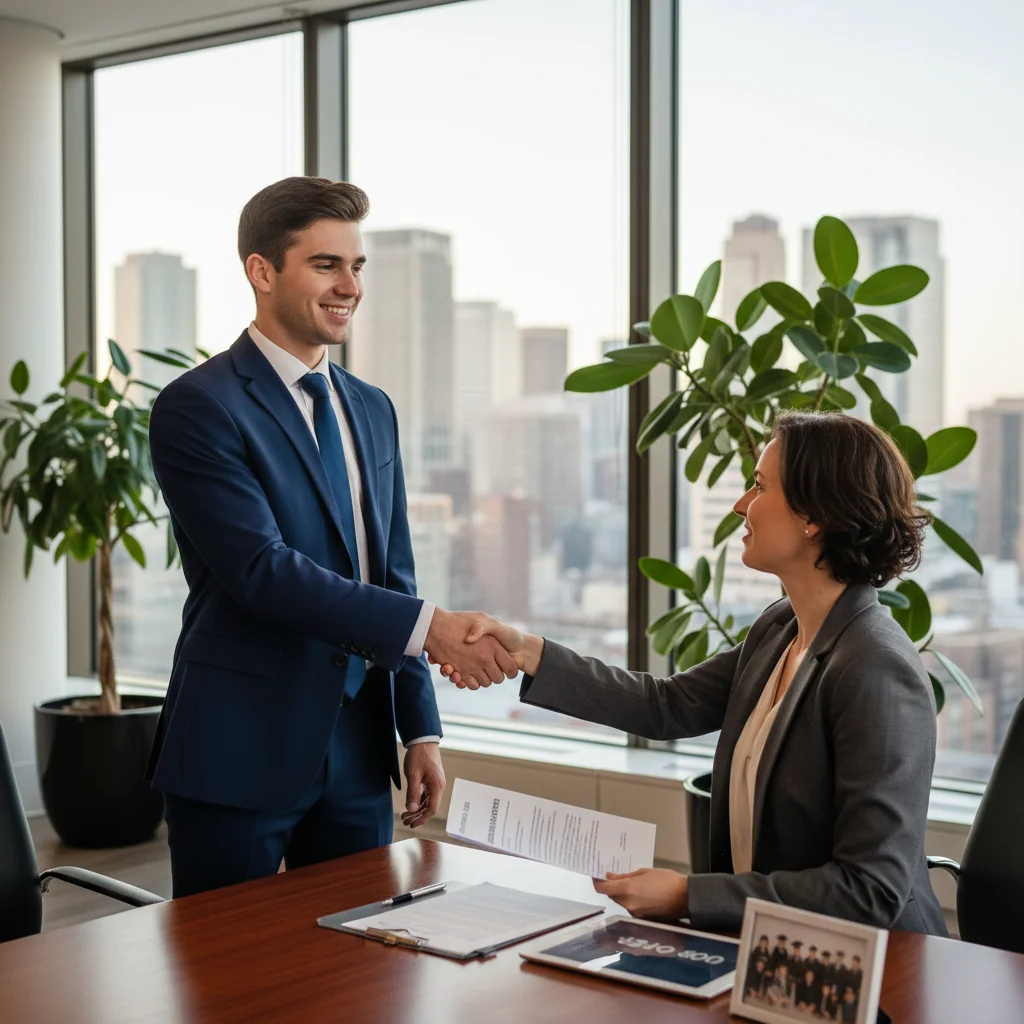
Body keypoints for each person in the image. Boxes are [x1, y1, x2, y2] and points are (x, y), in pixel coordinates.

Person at [437, 412, 947, 935]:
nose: (740, 505)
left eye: (758, 486)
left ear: (813, 516)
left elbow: (871, 889)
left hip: (883, 976)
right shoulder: (781, 628)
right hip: (778, 954)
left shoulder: (876, 668)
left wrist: (687, 894)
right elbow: (665, 705)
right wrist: (528, 652)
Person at [147, 177, 516, 897]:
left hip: (357, 749)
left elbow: (394, 577)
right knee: (225, 982)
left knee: (360, 976)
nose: (349, 285)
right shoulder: (198, 407)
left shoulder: (372, 410)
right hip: (237, 744)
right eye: (325, 265)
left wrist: (421, 731)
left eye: (357, 267)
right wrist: (431, 630)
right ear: (262, 272)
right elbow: (262, 570)